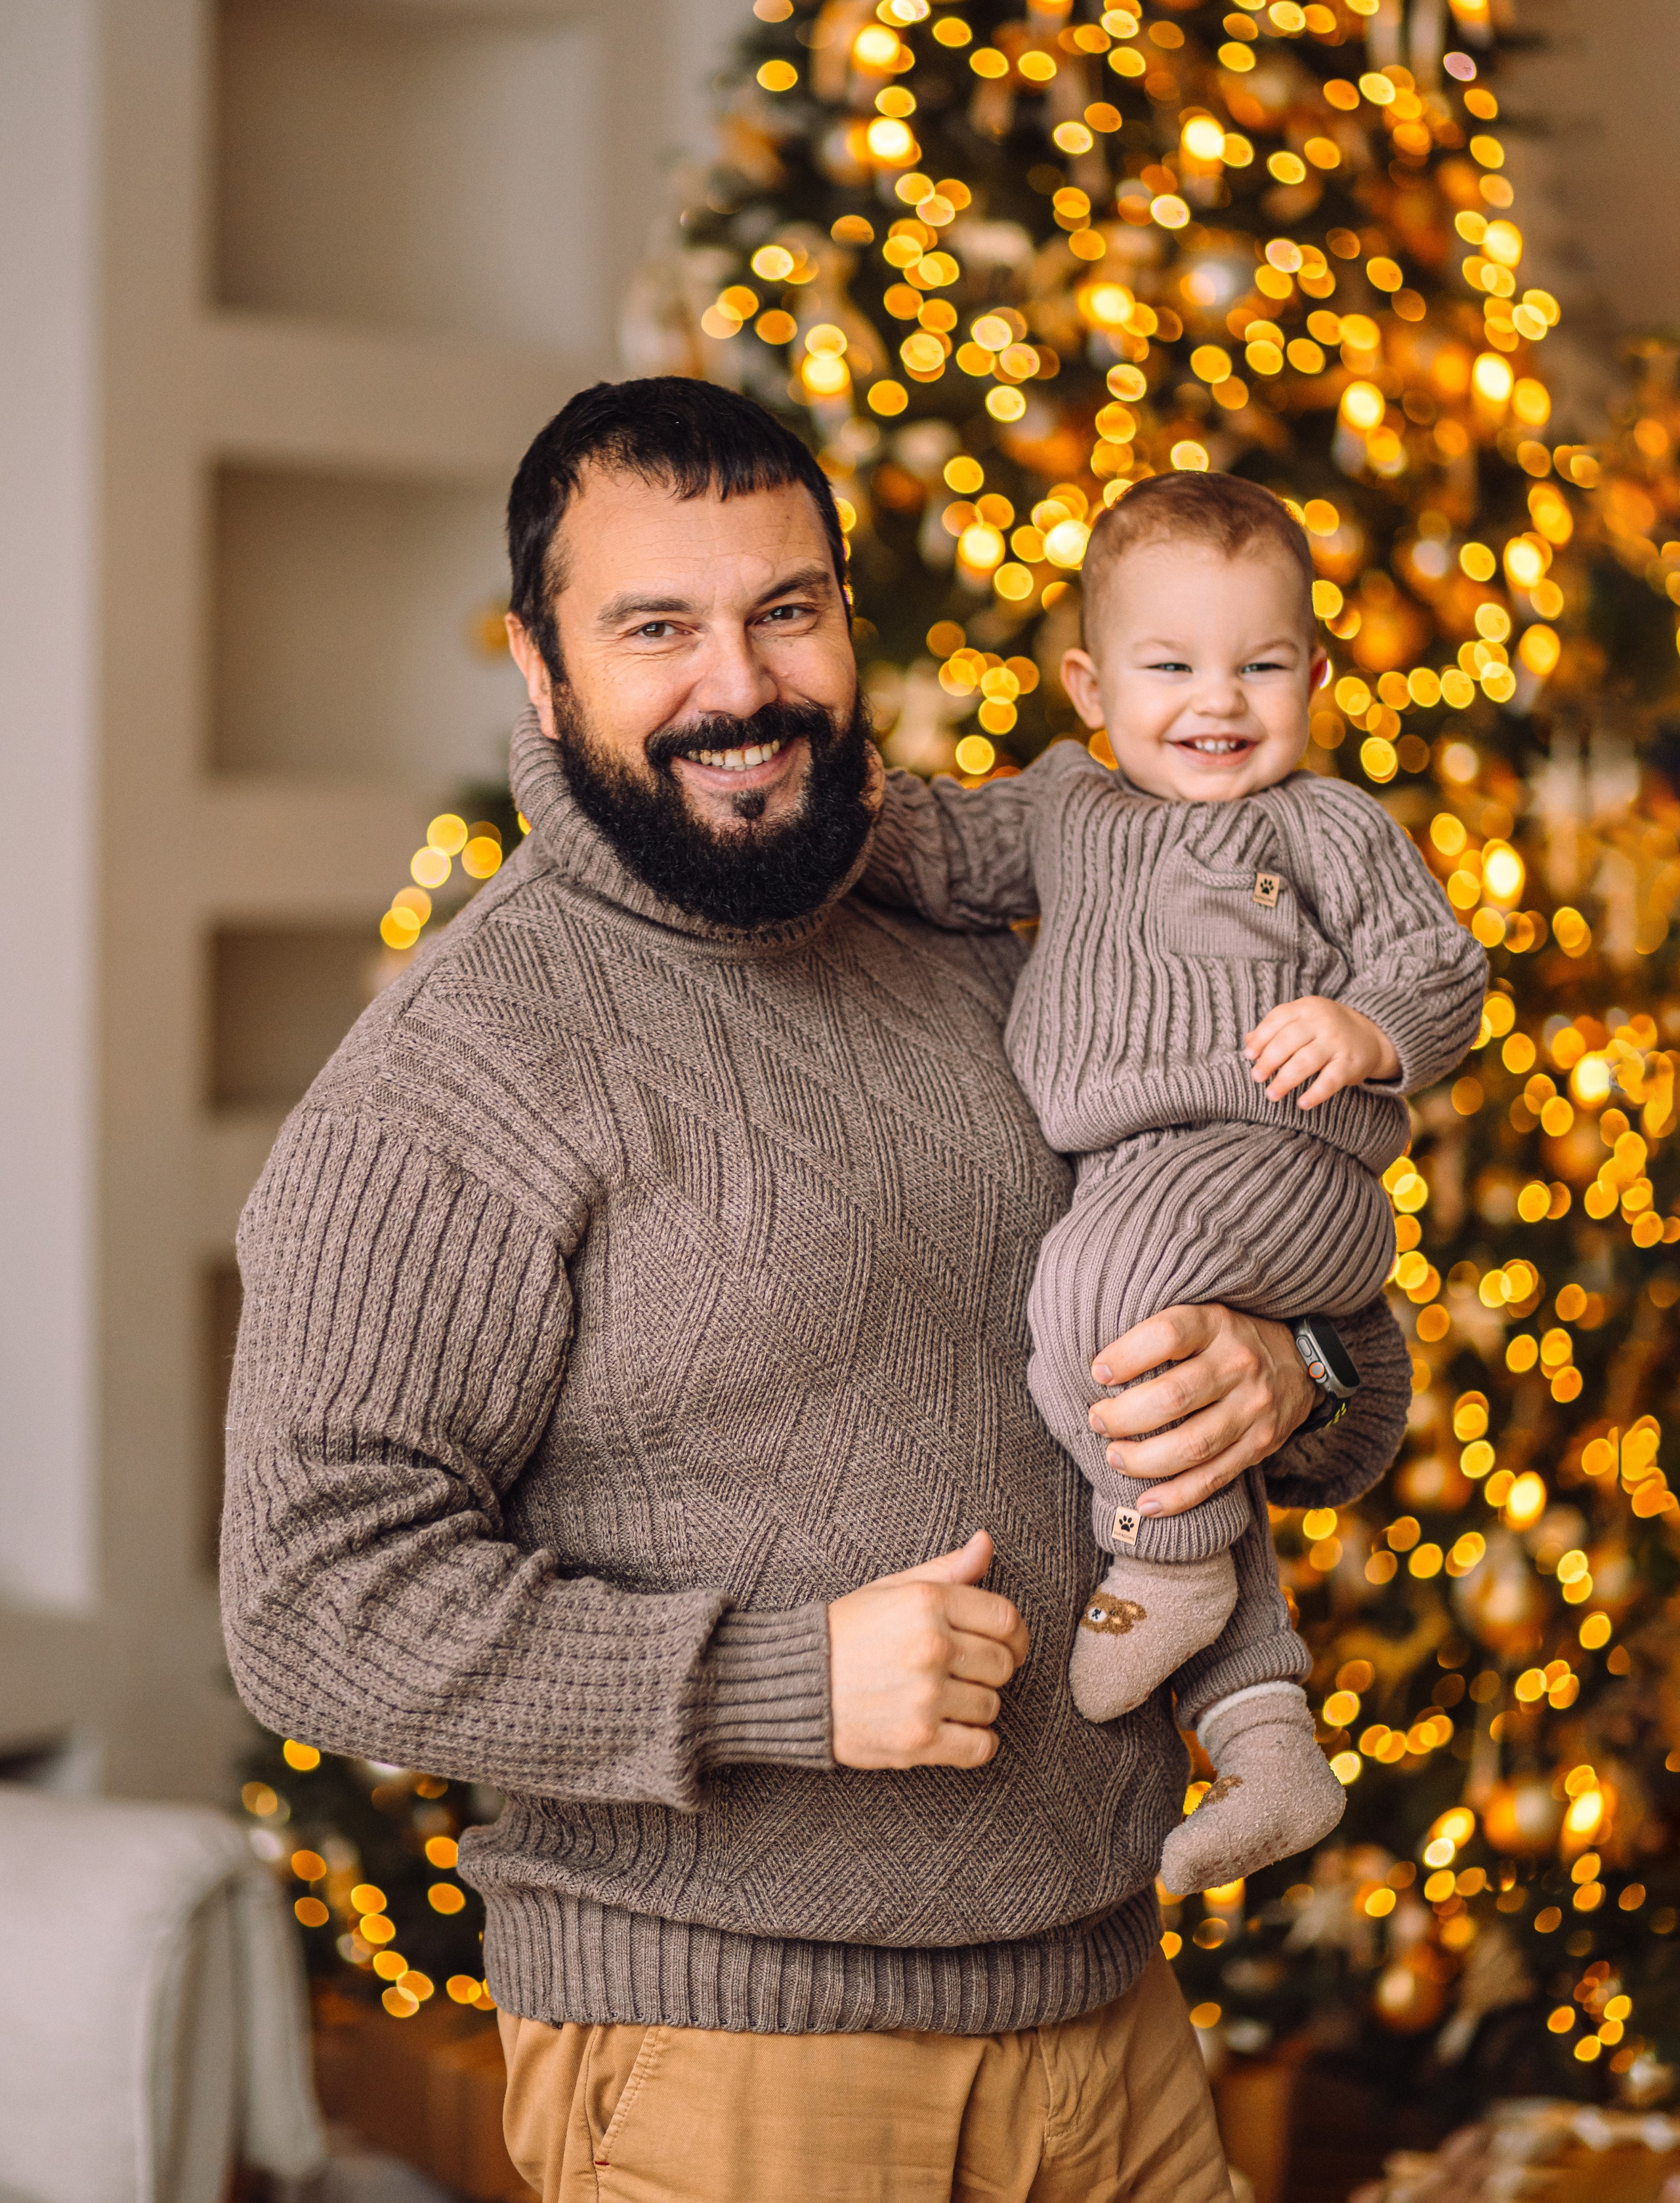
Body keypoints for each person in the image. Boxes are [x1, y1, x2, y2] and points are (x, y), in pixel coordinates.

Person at [220, 381, 1410, 2203]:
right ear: (542, 672)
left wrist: (1295, 1368)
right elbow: (312, 1600)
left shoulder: (992, 938)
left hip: (1113, 2025)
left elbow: (1320, 1354)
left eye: (788, 609)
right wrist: (778, 1680)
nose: (743, 683)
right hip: (732, 2067)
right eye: (657, 629)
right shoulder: (468, 1063)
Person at [860, 471, 1484, 1895]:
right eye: (1170, 666)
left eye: (1260, 665)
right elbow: (944, 848)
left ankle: (1177, 1562)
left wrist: (1367, 1031)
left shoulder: (1317, 825)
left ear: (1314, 675)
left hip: (1287, 1160)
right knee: (1148, 1391)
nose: (1219, 701)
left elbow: (1438, 963)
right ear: (1087, 685)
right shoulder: (1065, 806)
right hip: (1147, 1181)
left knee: (1088, 1294)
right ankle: (1265, 1738)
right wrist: (838, 791)